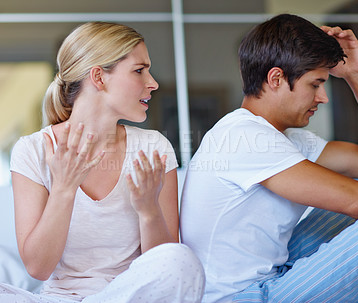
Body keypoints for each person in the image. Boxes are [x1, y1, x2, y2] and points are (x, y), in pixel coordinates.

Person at [180, 13, 358, 303]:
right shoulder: (245, 138)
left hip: (273, 274)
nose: (323, 97)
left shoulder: (281, 137)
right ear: (276, 78)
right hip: (237, 298)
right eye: (315, 84)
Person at [1, 21, 205, 303]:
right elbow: (38, 268)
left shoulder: (153, 147)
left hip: (126, 296)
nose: (153, 83)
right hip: (57, 299)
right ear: (99, 77)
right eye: (139, 70)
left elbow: (167, 266)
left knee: (183, 259)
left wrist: (148, 211)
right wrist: (64, 188)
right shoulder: (33, 150)